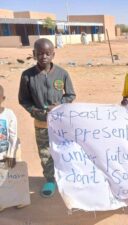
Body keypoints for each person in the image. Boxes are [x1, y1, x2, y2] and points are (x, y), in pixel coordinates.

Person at [18, 38, 76, 198]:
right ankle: (50, 179)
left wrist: (59, 105)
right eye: (40, 53)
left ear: (53, 54)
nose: (44, 56)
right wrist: (36, 111)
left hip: (61, 124)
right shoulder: (27, 76)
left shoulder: (62, 73)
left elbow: (70, 95)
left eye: (47, 53)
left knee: (65, 150)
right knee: (45, 152)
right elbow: (24, 100)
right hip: (41, 123)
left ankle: (66, 177)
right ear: (34, 54)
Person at [0, 84, 18, 169]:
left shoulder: (9, 114)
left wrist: (11, 154)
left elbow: (13, 136)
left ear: (3, 98)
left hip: (3, 158)